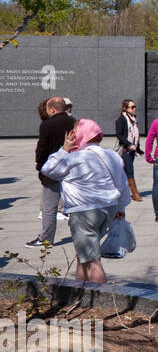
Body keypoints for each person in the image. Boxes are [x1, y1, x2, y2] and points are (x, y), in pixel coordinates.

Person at [39, 119, 131, 283]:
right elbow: (122, 183)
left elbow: (48, 169)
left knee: (91, 261)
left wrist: (64, 150)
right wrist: (121, 208)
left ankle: (104, 300)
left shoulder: (74, 158)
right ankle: (79, 292)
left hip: (84, 211)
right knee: (85, 255)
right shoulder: (111, 155)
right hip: (108, 208)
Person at [28, 96, 75, 248]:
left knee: (50, 207)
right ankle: (79, 233)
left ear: (52, 109)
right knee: (74, 204)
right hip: (71, 168)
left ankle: (46, 238)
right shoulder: (74, 122)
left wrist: (40, 167)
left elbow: (42, 148)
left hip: (52, 169)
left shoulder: (47, 125)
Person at [114, 99, 144, 202]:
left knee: (125, 171)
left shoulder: (133, 118)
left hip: (132, 149)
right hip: (125, 149)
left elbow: (136, 134)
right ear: (125, 108)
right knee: (129, 171)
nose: (134, 109)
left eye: (135, 106)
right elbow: (119, 135)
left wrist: (138, 148)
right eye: (132, 107)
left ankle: (122, 193)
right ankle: (135, 194)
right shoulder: (122, 119)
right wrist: (128, 144)